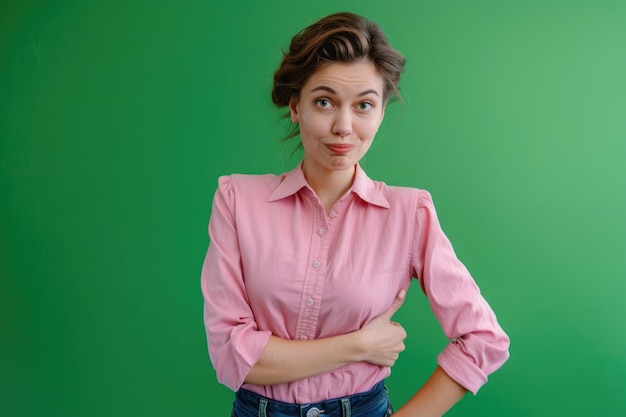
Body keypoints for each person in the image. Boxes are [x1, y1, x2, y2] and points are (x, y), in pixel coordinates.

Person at [201, 11, 510, 417]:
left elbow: (484, 339)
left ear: (381, 112)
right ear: (295, 106)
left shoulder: (410, 212)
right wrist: (359, 346)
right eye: (325, 101)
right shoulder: (237, 199)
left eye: (364, 104)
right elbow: (231, 355)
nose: (343, 126)